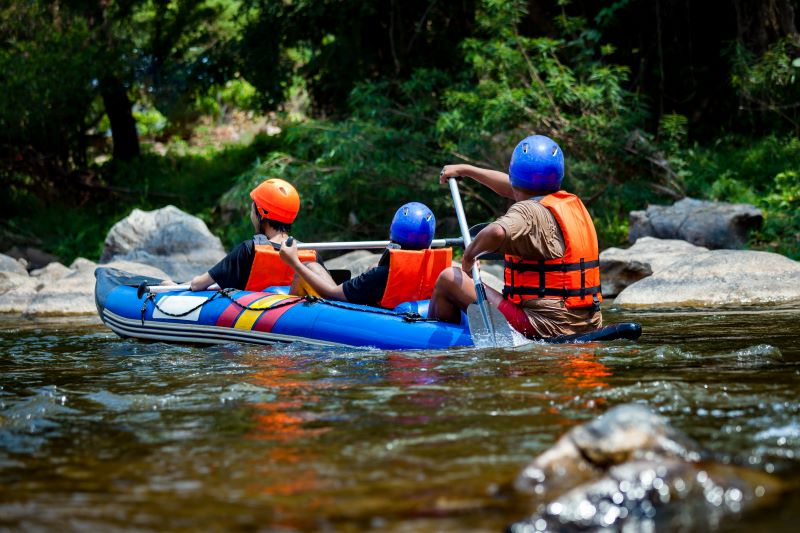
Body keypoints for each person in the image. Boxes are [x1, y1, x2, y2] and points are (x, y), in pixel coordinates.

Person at [428, 134, 602, 339]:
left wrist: (468, 258)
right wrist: (466, 170)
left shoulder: (527, 212)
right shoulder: (565, 204)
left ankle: (438, 342)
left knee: (448, 277)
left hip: (541, 327)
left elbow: (496, 231)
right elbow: (512, 187)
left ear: (515, 175)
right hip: (588, 324)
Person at [279, 202, 452, 308]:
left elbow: (332, 293)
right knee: (372, 266)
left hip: (363, 312)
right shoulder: (434, 270)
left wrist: (295, 262)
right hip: (404, 308)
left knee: (310, 266)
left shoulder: (380, 276)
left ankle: (285, 312)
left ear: (392, 233)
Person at [188, 178, 332, 293]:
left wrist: (192, 281)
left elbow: (197, 284)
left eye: (252, 210)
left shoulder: (248, 250)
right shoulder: (310, 254)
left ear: (261, 214)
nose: (251, 215)